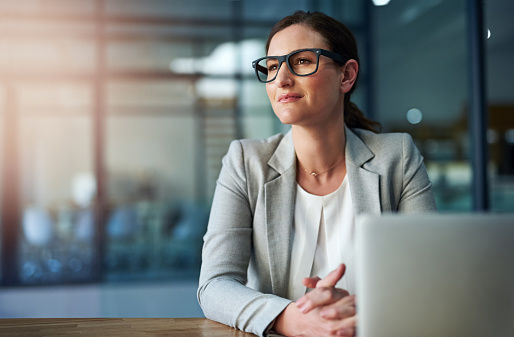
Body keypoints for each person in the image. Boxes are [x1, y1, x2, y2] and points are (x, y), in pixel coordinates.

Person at [198, 10, 436, 337]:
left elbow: (429, 275)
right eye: (271, 66)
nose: (281, 78)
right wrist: (290, 318)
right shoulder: (245, 161)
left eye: (301, 62)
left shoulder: (397, 157)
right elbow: (215, 284)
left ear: (346, 76)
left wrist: (358, 308)